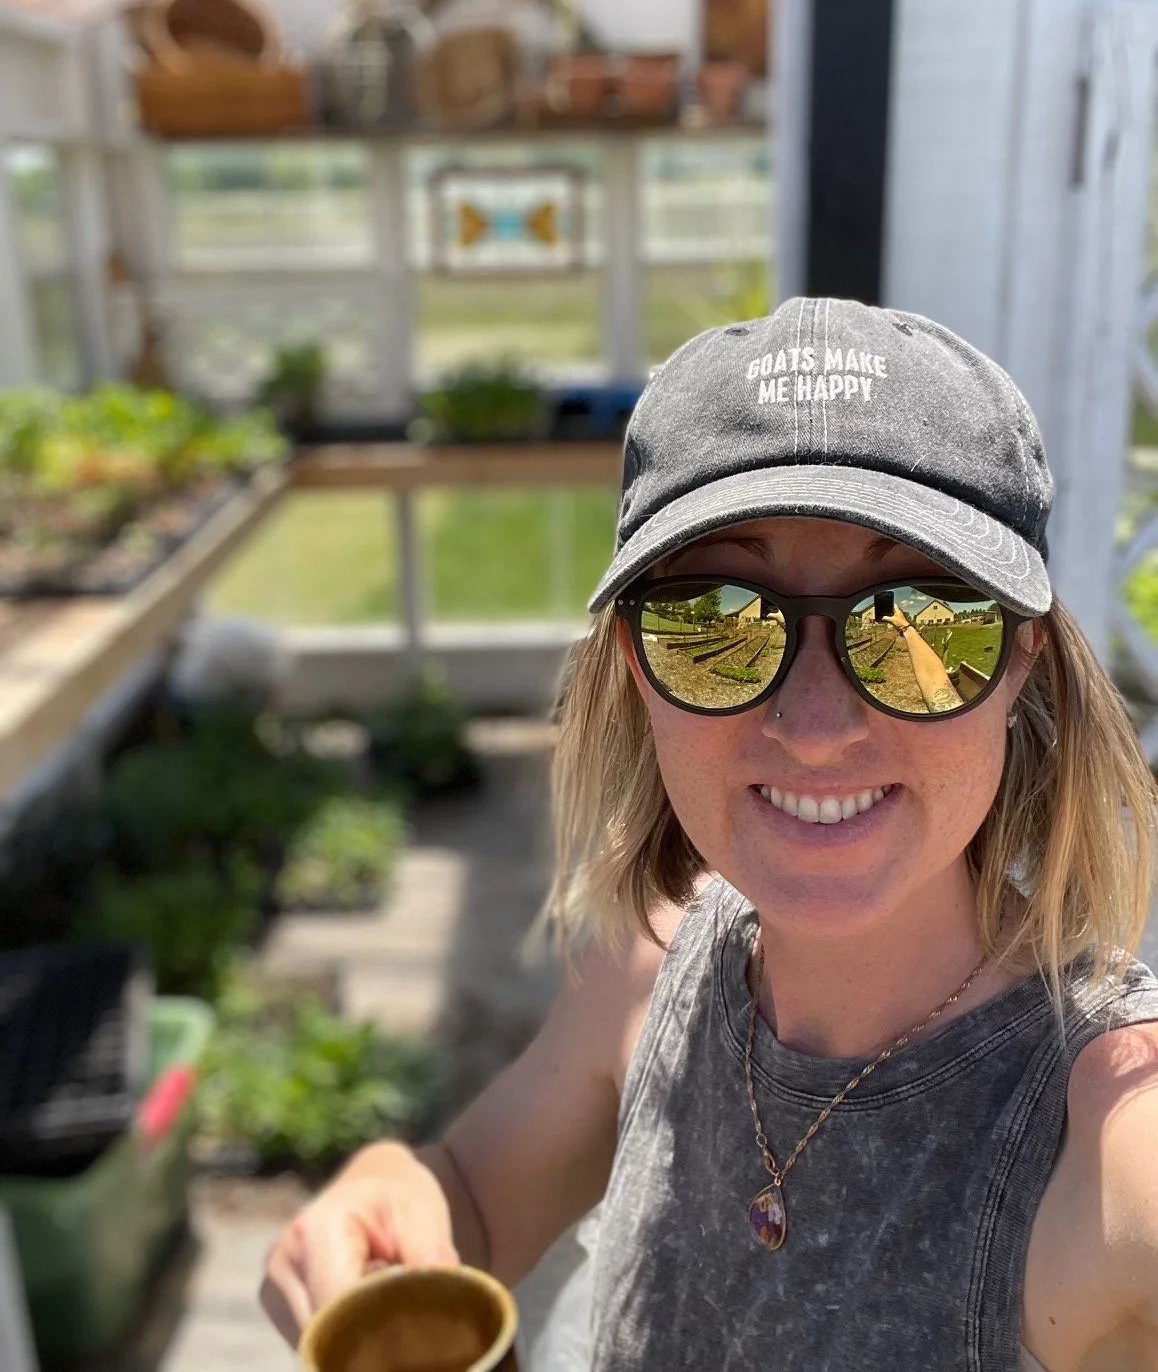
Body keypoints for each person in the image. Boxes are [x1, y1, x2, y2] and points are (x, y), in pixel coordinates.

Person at [261, 298, 1158, 1371]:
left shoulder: (1099, 1130)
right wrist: (383, 1190)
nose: (817, 728)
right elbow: (472, 1200)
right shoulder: (649, 962)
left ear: (1021, 665)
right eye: (716, 620)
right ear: (636, 667)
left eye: (919, 622)